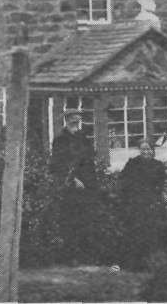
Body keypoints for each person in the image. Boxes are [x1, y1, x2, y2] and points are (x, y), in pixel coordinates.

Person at [49, 110, 97, 264]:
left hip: (87, 184)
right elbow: (58, 163)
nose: (75, 121)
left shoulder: (83, 138)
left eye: (78, 119)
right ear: (67, 120)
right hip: (70, 185)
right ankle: (70, 257)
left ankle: (85, 256)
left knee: (85, 220)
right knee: (69, 220)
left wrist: (90, 181)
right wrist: (73, 179)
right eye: (72, 119)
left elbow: (90, 160)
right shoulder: (60, 140)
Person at [118, 139, 167, 269]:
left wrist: (161, 194)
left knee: (152, 232)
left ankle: (152, 262)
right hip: (135, 203)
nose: (146, 152)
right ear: (139, 151)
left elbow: (161, 184)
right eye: (143, 149)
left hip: (152, 203)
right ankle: (135, 264)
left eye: (148, 149)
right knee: (136, 232)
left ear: (153, 151)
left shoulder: (158, 165)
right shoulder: (132, 164)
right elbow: (123, 181)